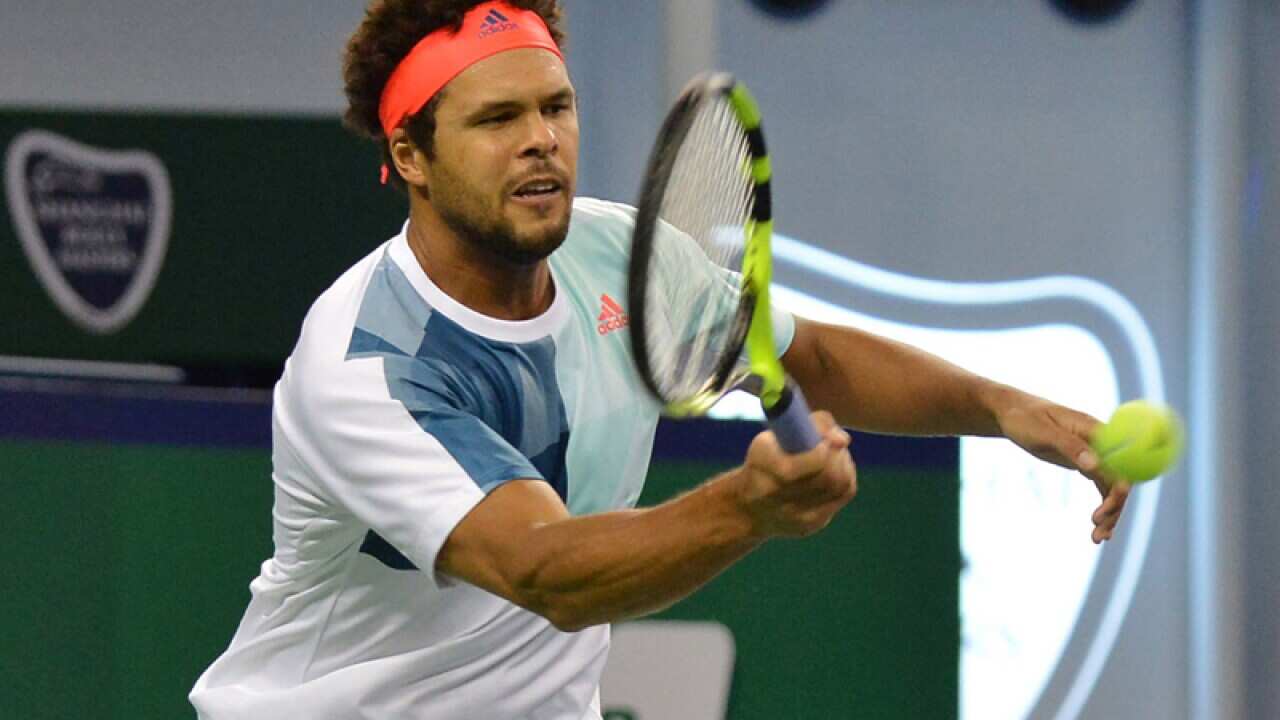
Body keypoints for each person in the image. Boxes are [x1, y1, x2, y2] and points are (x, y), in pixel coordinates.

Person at [189, 1, 1130, 718]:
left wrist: (1005, 407)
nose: (541, 139)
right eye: (497, 118)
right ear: (411, 155)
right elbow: (546, 572)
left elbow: (811, 357)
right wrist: (748, 506)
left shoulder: (619, 258)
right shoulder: (369, 362)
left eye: (557, 106)